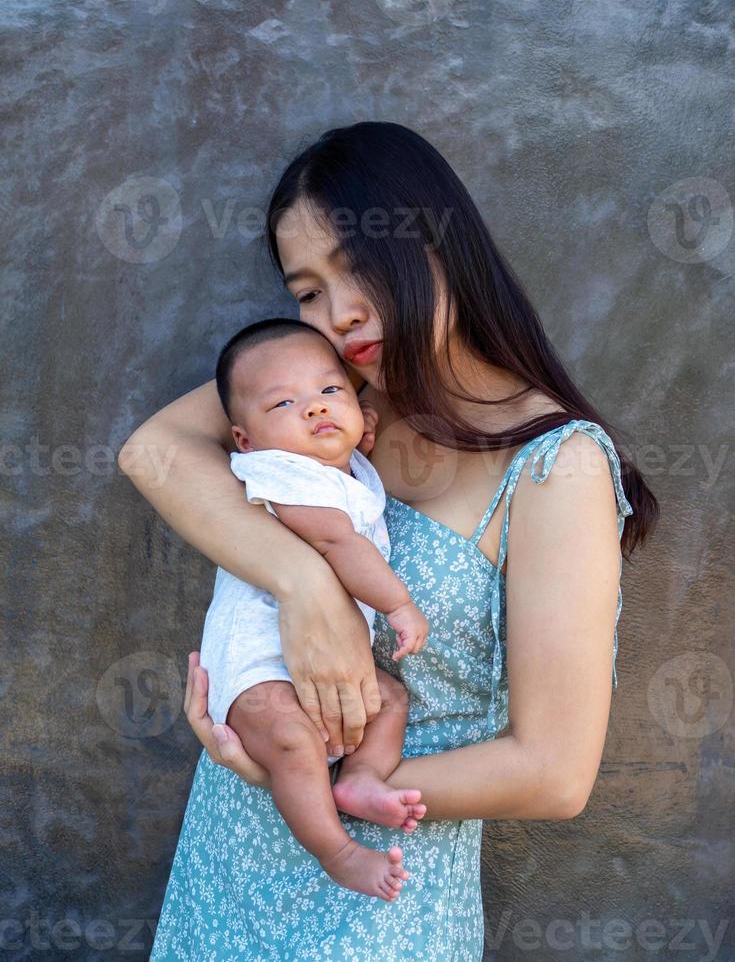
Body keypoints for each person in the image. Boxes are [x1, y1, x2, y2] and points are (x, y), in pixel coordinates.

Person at [118, 121, 659, 960]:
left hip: (381, 893)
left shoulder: (557, 465)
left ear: (438, 244)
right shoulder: (323, 397)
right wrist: (303, 586)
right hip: (226, 851)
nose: (340, 314)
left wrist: (306, 780)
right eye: (306, 291)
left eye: (359, 266)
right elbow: (151, 452)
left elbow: (553, 772)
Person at [199, 316, 429, 900]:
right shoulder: (279, 475)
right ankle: (338, 850)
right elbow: (338, 542)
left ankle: (358, 779)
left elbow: (347, 467)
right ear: (246, 441)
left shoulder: (338, 468)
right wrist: (398, 605)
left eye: (330, 391)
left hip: (320, 660)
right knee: (294, 741)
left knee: (391, 699)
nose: (313, 409)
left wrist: (352, 441)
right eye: (283, 402)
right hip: (260, 664)